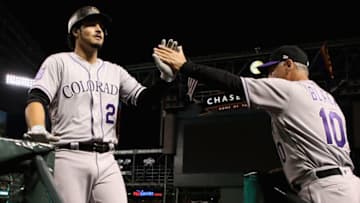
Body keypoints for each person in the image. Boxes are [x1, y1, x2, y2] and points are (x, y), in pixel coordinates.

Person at [153, 40, 360, 203]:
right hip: (347, 185)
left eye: (272, 69)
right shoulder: (327, 98)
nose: (269, 75)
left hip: (326, 191)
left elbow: (232, 83)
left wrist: (185, 66)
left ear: (289, 65)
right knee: (267, 181)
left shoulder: (289, 90)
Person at [23, 6, 176, 203]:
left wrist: (165, 80)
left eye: (102, 27)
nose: (99, 30)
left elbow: (145, 100)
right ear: (75, 31)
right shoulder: (57, 62)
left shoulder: (115, 71)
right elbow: (36, 97)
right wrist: (36, 126)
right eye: (91, 25)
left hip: (107, 159)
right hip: (69, 156)